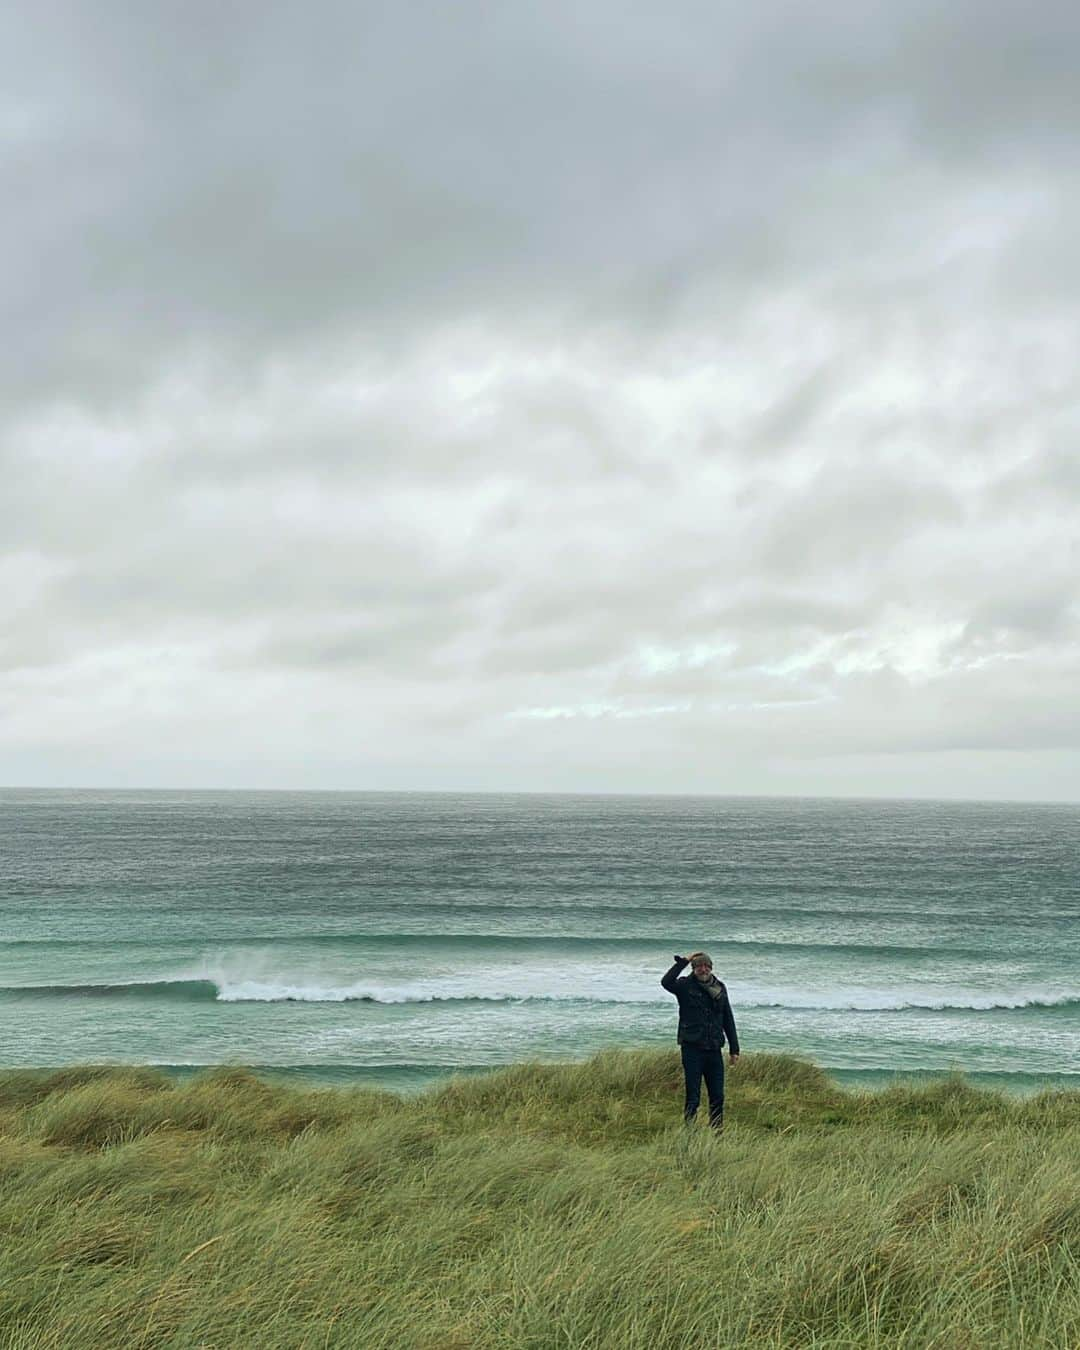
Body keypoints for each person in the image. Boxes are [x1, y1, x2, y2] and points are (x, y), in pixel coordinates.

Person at [661, 951, 740, 1131]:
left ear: (711, 968)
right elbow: (666, 982)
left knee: (717, 1095)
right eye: (698, 966)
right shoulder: (684, 986)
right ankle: (690, 1131)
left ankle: (717, 1132)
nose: (703, 969)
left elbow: (727, 1017)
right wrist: (684, 961)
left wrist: (734, 1048)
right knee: (693, 1096)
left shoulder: (719, 987)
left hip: (713, 1049)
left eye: (706, 966)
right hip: (692, 1049)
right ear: (694, 969)